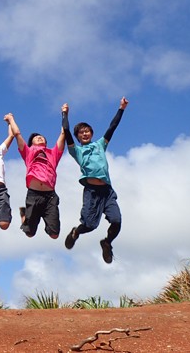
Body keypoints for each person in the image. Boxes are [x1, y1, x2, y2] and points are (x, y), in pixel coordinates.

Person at [63, 97, 129, 264]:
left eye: (87, 131)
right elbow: (66, 132)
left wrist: (121, 108)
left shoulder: (100, 144)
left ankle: (107, 243)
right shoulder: (76, 151)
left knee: (117, 220)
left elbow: (112, 127)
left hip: (107, 191)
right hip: (92, 193)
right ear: (78, 137)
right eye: (81, 132)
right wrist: (64, 114)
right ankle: (76, 232)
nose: (85, 133)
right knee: (90, 225)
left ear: (91, 133)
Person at [5, 111, 65, 239]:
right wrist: (11, 120)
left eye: (42, 137)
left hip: (50, 196)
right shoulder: (28, 152)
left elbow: (63, 133)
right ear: (31, 143)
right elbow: (17, 134)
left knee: (54, 234)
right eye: (36, 137)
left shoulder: (53, 153)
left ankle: (29, 215)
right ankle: (24, 214)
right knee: (29, 233)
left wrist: (64, 114)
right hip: (34, 194)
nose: (39, 137)